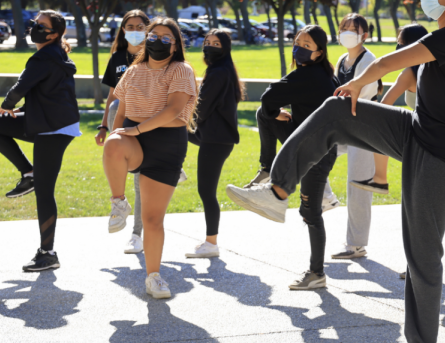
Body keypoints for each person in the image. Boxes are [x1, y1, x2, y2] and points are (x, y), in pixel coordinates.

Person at [226, 0, 445, 343]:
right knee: (338, 109)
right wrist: (359, 92)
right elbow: (403, 77)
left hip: (442, 156)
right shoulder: (440, 40)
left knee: (422, 256)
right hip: (415, 130)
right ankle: (278, 188)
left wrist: (360, 80)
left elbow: (397, 60)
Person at [228, 25, 339, 290]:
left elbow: (269, 96)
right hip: (312, 143)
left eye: (307, 45)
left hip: (315, 151)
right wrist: (275, 113)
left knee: (310, 213)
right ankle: (271, 173)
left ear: (319, 53)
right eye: (297, 41)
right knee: (262, 114)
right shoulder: (321, 74)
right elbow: (268, 103)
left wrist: (273, 111)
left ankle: (316, 273)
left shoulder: (309, 76)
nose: (299, 47)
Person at [103, 17, 199, 299]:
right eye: (153, 35)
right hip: (134, 138)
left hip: (166, 144)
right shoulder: (134, 70)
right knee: (112, 144)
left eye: (166, 37)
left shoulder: (181, 69)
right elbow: (120, 107)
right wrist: (119, 129)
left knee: (153, 219)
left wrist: (136, 128)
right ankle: (118, 202)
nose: (158, 40)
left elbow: (173, 111)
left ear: (176, 44)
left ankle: (153, 276)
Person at [0, 11, 80, 272]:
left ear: (54, 34)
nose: (35, 26)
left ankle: (47, 254)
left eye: (41, 25)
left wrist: (6, 106)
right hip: (48, 121)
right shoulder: (55, 54)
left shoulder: (44, 56)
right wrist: (18, 109)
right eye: (35, 23)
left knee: (45, 193)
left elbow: (21, 85)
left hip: (54, 128)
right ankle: (29, 172)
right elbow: (46, 92)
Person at [186, 29, 244, 259]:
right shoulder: (224, 70)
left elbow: (202, 106)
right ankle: (175, 167)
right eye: (207, 42)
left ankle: (211, 244)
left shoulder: (218, 72)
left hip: (215, 140)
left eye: (216, 43)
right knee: (173, 130)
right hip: (214, 137)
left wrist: (185, 118)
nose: (209, 46)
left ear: (225, 48)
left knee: (206, 191)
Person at [96, 10, 150, 255]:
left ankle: (137, 235)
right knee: (135, 176)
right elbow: (113, 95)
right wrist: (104, 126)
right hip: (123, 126)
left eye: (140, 25)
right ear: (123, 30)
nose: (136, 30)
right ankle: (120, 205)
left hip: (148, 125)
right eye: (131, 26)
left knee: (142, 184)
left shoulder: (154, 55)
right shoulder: (117, 57)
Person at [330, 14, 380, 260]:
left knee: (358, 186)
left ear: (365, 35)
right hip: (343, 125)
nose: (347, 33)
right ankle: (327, 197)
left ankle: (356, 245)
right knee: (313, 153)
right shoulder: (341, 60)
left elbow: (362, 94)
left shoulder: (369, 59)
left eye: (353, 29)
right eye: (344, 28)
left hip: (364, 129)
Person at [355, 24, 429, 191]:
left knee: (380, 129)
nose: (397, 48)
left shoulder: (409, 73)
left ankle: (380, 178)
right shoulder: (436, 66)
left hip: (426, 132)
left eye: (401, 43)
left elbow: (385, 105)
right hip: (441, 129)